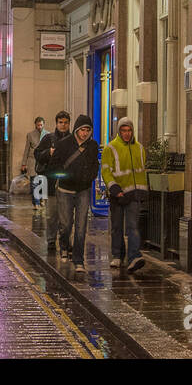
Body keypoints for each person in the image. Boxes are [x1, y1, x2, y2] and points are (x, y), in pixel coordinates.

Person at [51, 115, 101, 274]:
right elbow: (54, 165)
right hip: (65, 190)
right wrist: (63, 176)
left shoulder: (92, 146)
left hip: (83, 190)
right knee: (66, 224)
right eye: (82, 130)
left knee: (81, 226)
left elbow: (95, 165)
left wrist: (89, 177)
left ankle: (79, 260)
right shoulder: (64, 144)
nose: (85, 133)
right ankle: (64, 245)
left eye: (87, 130)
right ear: (76, 130)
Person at [102, 117, 149, 272]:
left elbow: (141, 172)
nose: (127, 134)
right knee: (116, 227)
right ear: (119, 131)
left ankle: (134, 256)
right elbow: (106, 171)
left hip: (134, 195)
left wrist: (142, 191)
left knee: (132, 226)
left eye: (129, 130)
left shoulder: (140, 148)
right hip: (118, 194)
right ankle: (117, 255)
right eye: (123, 130)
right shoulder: (111, 148)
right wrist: (115, 189)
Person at [34, 111, 72, 253]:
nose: (63, 125)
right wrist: (48, 152)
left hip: (68, 183)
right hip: (51, 183)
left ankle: (66, 241)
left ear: (69, 124)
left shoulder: (72, 140)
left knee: (67, 217)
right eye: (60, 122)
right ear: (56, 123)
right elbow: (37, 154)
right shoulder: (49, 138)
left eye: (65, 122)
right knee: (52, 215)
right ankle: (51, 240)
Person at [23, 117, 45, 208]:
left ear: (44, 124)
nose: (39, 126)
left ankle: (41, 199)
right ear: (35, 124)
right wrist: (24, 163)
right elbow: (26, 149)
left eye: (41, 125)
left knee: (42, 182)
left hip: (43, 161)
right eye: (38, 125)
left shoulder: (47, 134)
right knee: (34, 182)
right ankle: (36, 202)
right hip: (33, 160)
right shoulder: (30, 135)